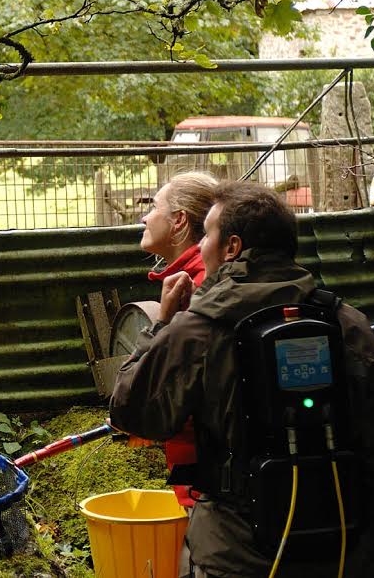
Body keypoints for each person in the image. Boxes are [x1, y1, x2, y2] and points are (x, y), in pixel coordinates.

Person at [111, 181, 374, 577]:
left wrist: (160, 327)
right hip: (343, 546)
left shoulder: (197, 331)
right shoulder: (347, 323)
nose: (201, 246)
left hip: (234, 554)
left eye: (206, 234)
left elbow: (131, 412)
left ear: (232, 248)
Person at [138, 171, 217, 516]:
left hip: (208, 477)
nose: (145, 216)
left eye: (154, 207)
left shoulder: (199, 286)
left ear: (179, 221)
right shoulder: (201, 275)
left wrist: (161, 325)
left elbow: (171, 386)